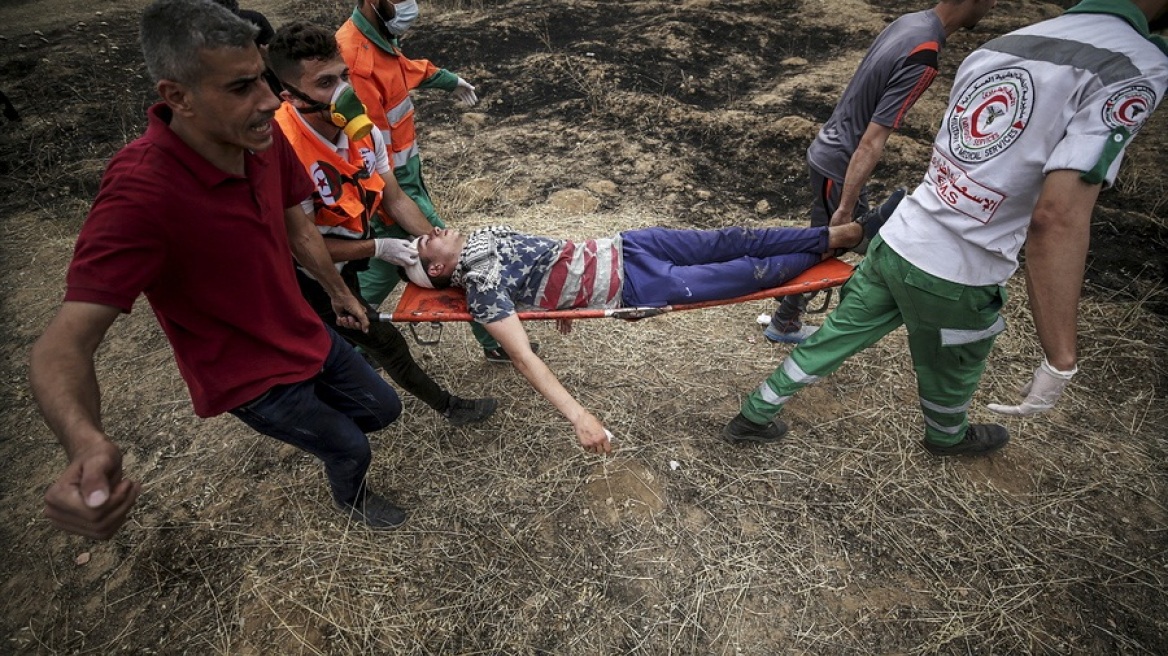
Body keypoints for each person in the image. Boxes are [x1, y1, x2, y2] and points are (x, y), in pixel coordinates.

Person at [29, 0, 413, 540]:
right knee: (351, 445)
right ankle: (352, 497)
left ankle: (323, 425)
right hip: (249, 375)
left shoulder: (262, 137)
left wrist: (337, 293)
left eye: (263, 78)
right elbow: (61, 348)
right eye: (240, 88)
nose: (268, 101)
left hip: (307, 332)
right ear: (176, 96)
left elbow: (297, 227)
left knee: (382, 409)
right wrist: (86, 443)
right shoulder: (140, 195)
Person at [725, 0, 1168, 455]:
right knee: (953, 367)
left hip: (900, 239)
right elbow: (1056, 218)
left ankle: (755, 412)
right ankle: (946, 436)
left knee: (836, 336)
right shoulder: (1134, 64)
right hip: (959, 272)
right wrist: (1060, 358)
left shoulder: (999, 47)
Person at [406, 195, 901, 455]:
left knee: (734, 237)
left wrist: (558, 306)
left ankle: (844, 232)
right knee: (745, 277)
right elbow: (522, 355)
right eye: (425, 245)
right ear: (436, 272)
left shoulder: (482, 236)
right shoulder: (482, 286)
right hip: (637, 286)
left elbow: (543, 261)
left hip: (630, 244)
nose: (430, 233)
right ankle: (828, 249)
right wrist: (579, 416)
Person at [267, 21, 497, 426]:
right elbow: (301, 246)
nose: (342, 92)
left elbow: (394, 197)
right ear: (289, 95)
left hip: (343, 260)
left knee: (363, 340)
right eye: (325, 84)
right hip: (298, 276)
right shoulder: (280, 153)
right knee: (375, 341)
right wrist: (378, 249)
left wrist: (433, 240)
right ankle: (443, 406)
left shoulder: (366, 134)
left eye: (343, 77)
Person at [763, 0, 998, 344]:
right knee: (842, 241)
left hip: (832, 151)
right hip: (841, 160)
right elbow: (873, 140)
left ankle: (786, 315)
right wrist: (846, 205)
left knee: (831, 241)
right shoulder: (925, 55)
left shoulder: (911, 23)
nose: (993, 6)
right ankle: (785, 312)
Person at [336, 0, 517, 362]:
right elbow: (369, 155)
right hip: (393, 191)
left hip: (405, 181)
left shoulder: (376, 38)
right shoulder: (354, 59)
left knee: (381, 273)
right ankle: (499, 341)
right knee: (461, 262)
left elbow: (401, 68)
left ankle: (348, 344)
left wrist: (446, 80)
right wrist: (390, 211)